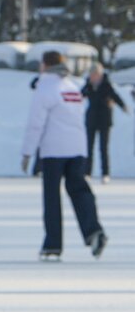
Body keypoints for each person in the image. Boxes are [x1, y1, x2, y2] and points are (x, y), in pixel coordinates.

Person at [21, 50, 107, 261]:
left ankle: (53, 244)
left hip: (54, 150)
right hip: (77, 149)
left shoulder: (45, 88)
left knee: (52, 197)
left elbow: (35, 124)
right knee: (79, 190)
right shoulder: (71, 86)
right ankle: (93, 230)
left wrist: (27, 152)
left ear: (45, 65)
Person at [81, 62, 127, 183]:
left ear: (100, 74)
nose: (93, 76)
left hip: (104, 120)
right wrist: (88, 86)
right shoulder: (88, 84)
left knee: (103, 148)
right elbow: (81, 94)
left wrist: (123, 106)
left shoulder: (106, 85)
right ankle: (87, 172)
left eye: (95, 74)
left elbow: (115, 96)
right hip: (91, 120)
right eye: (92, 74)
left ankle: (105, 173)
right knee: (89, 147)